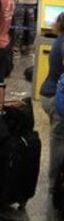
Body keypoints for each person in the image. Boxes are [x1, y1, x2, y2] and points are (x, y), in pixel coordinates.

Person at [38, 13, 64, 186]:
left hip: (50, 92)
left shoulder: (60, 39)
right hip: (57, 98)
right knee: (59, 140)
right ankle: (54, 183)